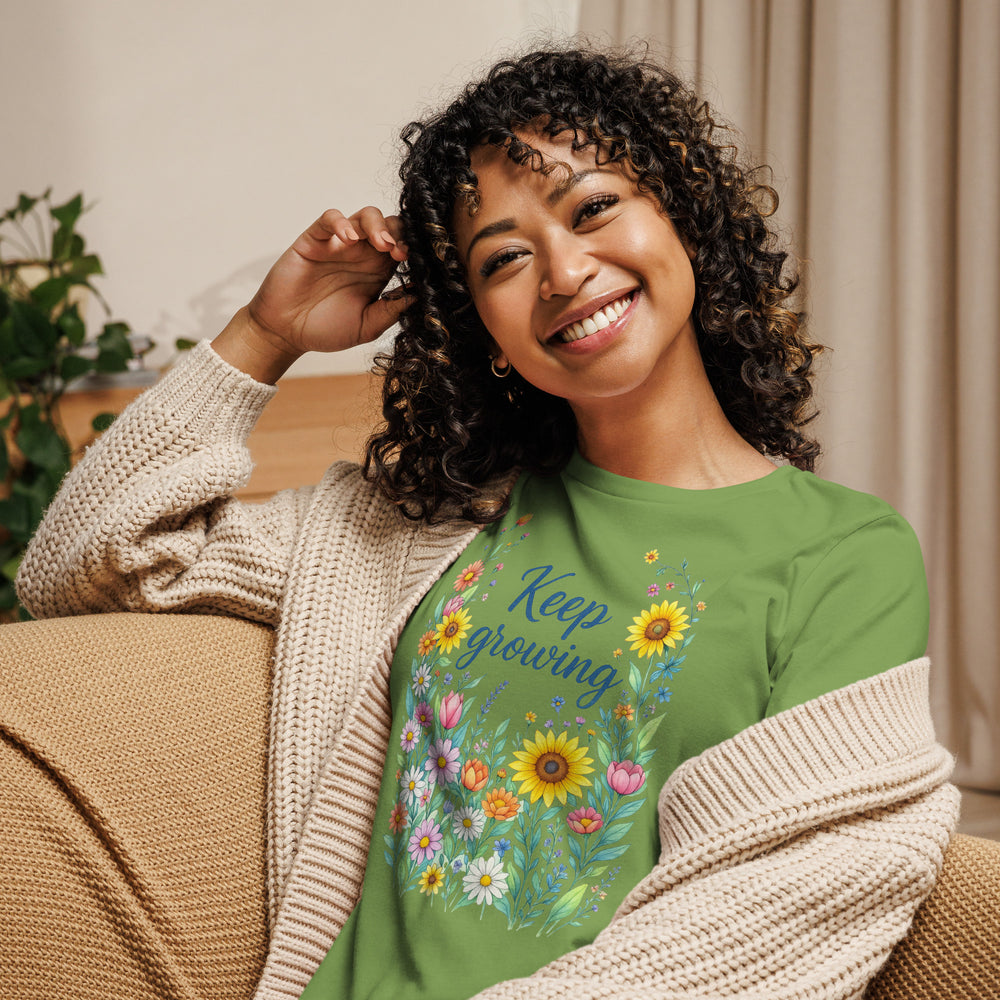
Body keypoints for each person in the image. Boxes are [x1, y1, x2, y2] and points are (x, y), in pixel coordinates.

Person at [15, 46, 957, 1000]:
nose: (562, 270)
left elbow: (784, 903)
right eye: (504, 257)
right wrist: (264, 336)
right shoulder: (420, 527)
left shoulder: (841, 553)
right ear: (485, 330)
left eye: (593, 208)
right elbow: (89, 565)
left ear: (683, 217)